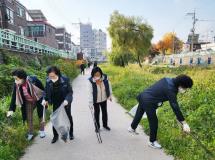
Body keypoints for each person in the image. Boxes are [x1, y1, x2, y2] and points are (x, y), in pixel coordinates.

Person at [128, 75, 193, 149]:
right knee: (154, 121)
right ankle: (152, 142)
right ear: (181, 85)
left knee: (139, 113)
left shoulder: (167, 79)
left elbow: (159, 91)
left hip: (143, 96)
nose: (185, 90)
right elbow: (175, 107)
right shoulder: (171, 90)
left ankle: (132, 128)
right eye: (185, 88)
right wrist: (184, 123)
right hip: (149, 102)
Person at [7, 69, 46, 141]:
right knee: (28, 116)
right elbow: (14, 97)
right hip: (28, 101)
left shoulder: (34, 80)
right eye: (14, 79)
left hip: (38, 99)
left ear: (23, 78)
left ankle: (42, 130)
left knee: (41, 115)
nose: (15, 81)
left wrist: (44, 100)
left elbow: (43, 90)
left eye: (17, 79)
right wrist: (11, 110)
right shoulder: (16, 84)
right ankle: (30, 133)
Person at [42, 66, 74, 144]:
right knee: (55, 119)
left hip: (65, 102)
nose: (51, 77)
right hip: (55, 102)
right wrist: (44, 99)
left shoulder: (65, 80)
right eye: (49, 76)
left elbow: (70, 92)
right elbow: (46, 91)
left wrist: (67, 100)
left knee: (68, 117)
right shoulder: (48, 80)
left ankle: (71, 133)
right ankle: (55, 136)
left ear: (57, 74)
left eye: (53, 76)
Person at [88, 67, 113, 132]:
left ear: (101, 74)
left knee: (104, 112)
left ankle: (105, 125)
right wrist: (90, 102)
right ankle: (97, 127)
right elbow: (90, 92)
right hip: (96, 100)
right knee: (96, 113)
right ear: (93, 75)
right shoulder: (91, 82)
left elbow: (109, 87)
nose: (97, 76)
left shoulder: (105, 79)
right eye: (95, 75)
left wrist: (110, 95)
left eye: (98, 74)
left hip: (104, 99)